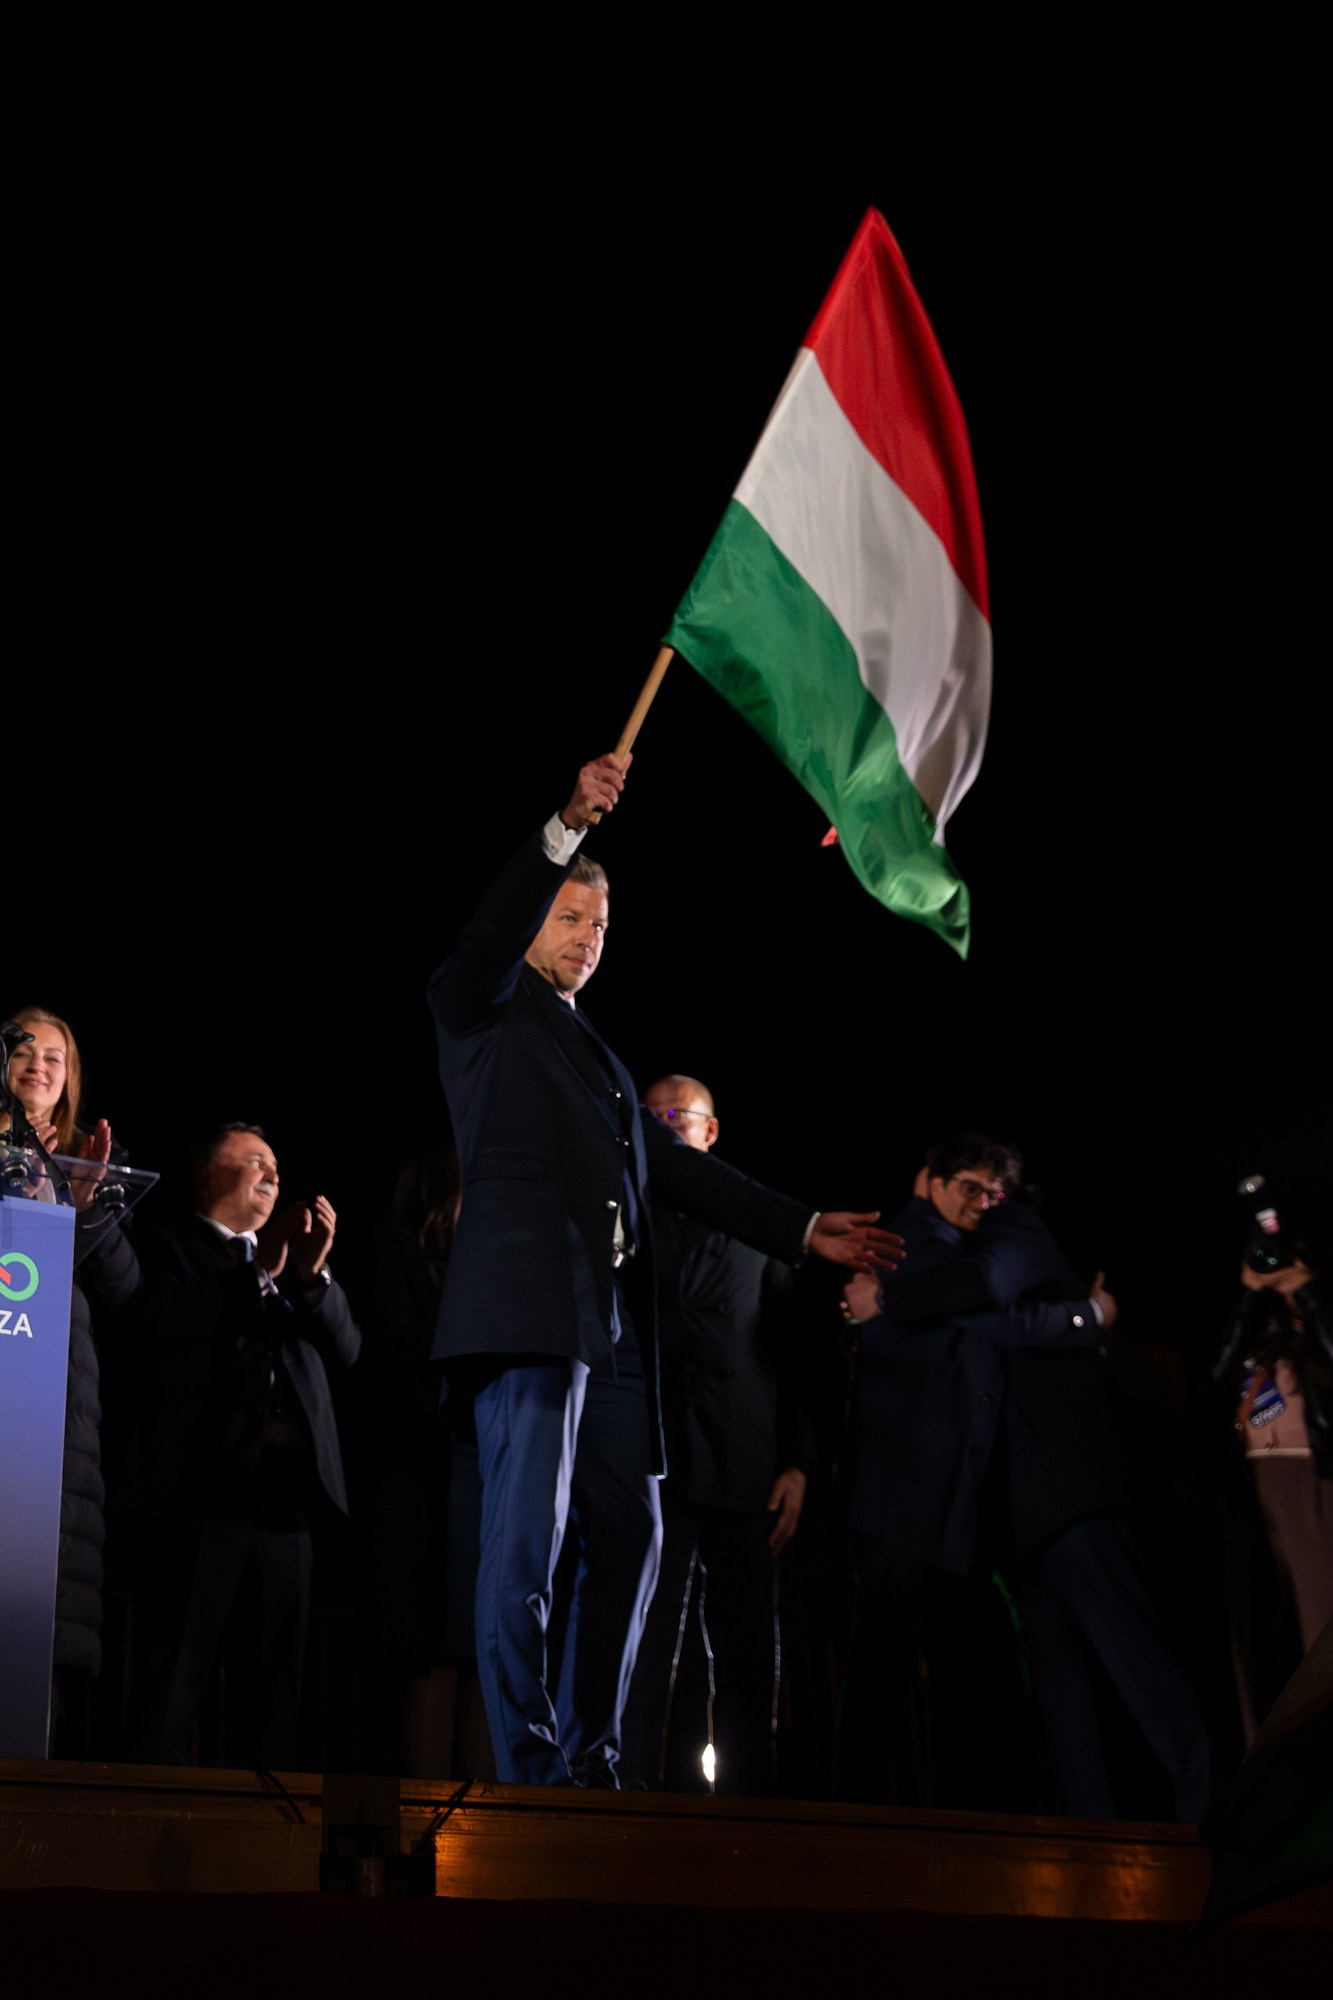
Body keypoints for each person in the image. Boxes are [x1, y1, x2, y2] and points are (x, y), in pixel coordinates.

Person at [427, 749, 900, 1788]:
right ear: (529, 923)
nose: (589, 938)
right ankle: (530, 1761)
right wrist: (562, 824)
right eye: (569, 917)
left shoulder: (599, 1058)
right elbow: (482, 940)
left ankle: (590, 1754)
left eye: (600, 925)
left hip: (611, 1337)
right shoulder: (484, 1011)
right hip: (527, 1320)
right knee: (524, 1550)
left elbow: (676, 1168)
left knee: (633, 1536)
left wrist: (802, 1223)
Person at [841, 1133, 1212, 1822]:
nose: (983, 1204)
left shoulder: (1013, 1230)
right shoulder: (921, 1241)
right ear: (930, 1182)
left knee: (1133, 1659)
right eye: (970, 1189)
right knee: (1059, 1682)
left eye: (993, 1192)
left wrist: (887, 1301)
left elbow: (984, 1297)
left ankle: (1213, 1810)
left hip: (1072, 1495)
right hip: (1017, 1511)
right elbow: (994, 1318)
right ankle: (1087, 1833)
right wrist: (1079, 1319)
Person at [617, 1074, 817, 1794]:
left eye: (679, 1115)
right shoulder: (628, 1215)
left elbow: (793, 1353)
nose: (665, 1126)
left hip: (745, 1459)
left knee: (743, 1655)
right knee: (645, 1646)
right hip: (655, 1457)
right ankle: (635, 1797)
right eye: (652, 1117)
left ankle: (748, 1812)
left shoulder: (756, 1221)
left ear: (711, 1131)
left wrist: (797, 1462)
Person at [141, 1122, 362, 1768]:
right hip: (200, 1499)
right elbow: (162, 1331)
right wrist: (259, 1269)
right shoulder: (168, 1249)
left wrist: (312, 1274)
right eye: (254, 1162)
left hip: (287, 1509)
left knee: (273, 1710)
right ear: (209, 1173)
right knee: (173, 1692)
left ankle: (264, 1859)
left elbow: (349, 1350)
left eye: (275, 1166)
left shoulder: (299, 1267)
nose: (271, 1175)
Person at [1, 1005, 142, 1752]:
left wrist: (82, 1209)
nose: (40, 1065)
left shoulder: (80, 1165)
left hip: (56, 1417)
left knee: (40, 1649)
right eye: (24, 1049)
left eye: (56, 1057)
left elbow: (123, 1285)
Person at [1213, 1237, 1333, 1738]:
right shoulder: (1263, 1333)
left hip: (1313, 1476)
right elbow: (1218, 1373)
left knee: (1319, 1621)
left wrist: (1306, 1292)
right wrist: (1249, 1297)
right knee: (1262, 1636)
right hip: (1256, 1482)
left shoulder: (1320, 1317)